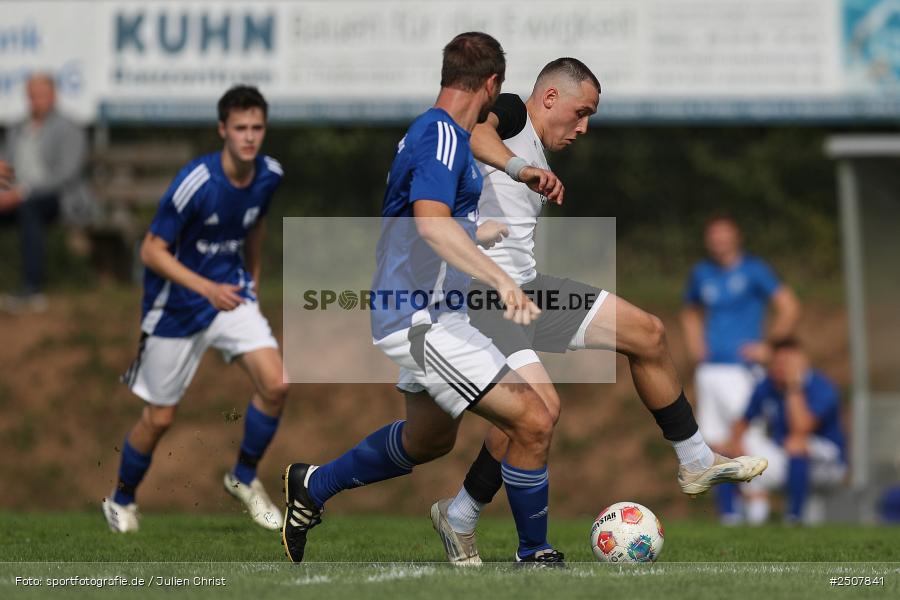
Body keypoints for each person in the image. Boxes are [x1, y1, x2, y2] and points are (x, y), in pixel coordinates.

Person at [424, 58, 770, 565]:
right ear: (548, 99)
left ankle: (695, 460)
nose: (584, 127)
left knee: (648, 334)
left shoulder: (537, 143)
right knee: (537, 416)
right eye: (580, 112)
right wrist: (522, 168)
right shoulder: (511, 114)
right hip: (485, 297)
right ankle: (520, 545)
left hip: (529, 292)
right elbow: (473, 134)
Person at [281, 32, 577, 566]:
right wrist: (503, 280)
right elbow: (431, 225)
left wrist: (476, 229)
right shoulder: (441, 135)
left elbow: (427, 222)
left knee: (428, 441)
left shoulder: (444, 136)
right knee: (533, 418)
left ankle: (312, 485)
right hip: (422, 320)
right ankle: (534, 551)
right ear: (492, 84)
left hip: (435, 313)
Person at [103, 85, 288, 533]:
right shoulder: (196, 182)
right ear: (222, 129)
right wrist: (206, 288)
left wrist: (254, 280)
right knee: (161, 416)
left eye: (257, 127)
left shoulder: (269, 174)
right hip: (177, 307)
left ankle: (243, 477)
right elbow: (151, 250)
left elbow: (257, 222)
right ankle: (121, 499)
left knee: (277, 383)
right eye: (240, 128)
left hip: (230, 295)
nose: (249, 137)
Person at [681, 215, 800, 523]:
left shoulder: (754, 270)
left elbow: (789, 306)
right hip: (709, 370)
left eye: (725, 235)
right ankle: (730, 514)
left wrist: (769, 346)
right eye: (714, 236)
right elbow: (690, 312)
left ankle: (758, 510)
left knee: (745, 437)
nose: (719, 241)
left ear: (736, 238)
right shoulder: (702, 273)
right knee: (715, 442)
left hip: (742, 370)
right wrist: (695, 346)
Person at [724, 339, 847, 524]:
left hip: (828, 462)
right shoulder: (767, 386)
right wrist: (735, 442)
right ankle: (730, 518)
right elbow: (743, 422)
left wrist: (793, 387)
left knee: (796, 443)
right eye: (778, 361)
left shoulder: (822, 387)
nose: (782, 367)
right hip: (788, 456)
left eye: (788, 361)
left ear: (802, 361)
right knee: (726, 448)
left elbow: (802, 428)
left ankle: (793, 518)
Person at [0, 73, 95, 312]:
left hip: (58, 198)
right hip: (15, 196)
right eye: (32, 95)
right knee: (23, 206)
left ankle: (32, 290)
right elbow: (6, 165)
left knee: (29, 208)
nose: (36, 100)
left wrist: (23, 193)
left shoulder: (69, 127)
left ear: (53, 96)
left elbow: (66, 174)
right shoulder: (17, 128)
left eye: (41, 95)